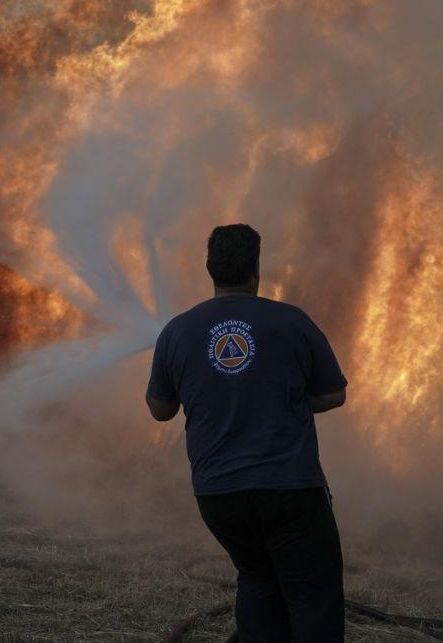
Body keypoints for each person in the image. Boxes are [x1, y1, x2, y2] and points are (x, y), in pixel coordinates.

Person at [146, 224, 348, 642]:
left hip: (219, 494)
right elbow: (333, 394)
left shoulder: (177, 331)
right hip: (289, 488)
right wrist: (284, 400)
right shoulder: (291, 321)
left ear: (210, 270)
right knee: (311, 593)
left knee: (257, 578)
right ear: (256, 268)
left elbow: (160, 409)